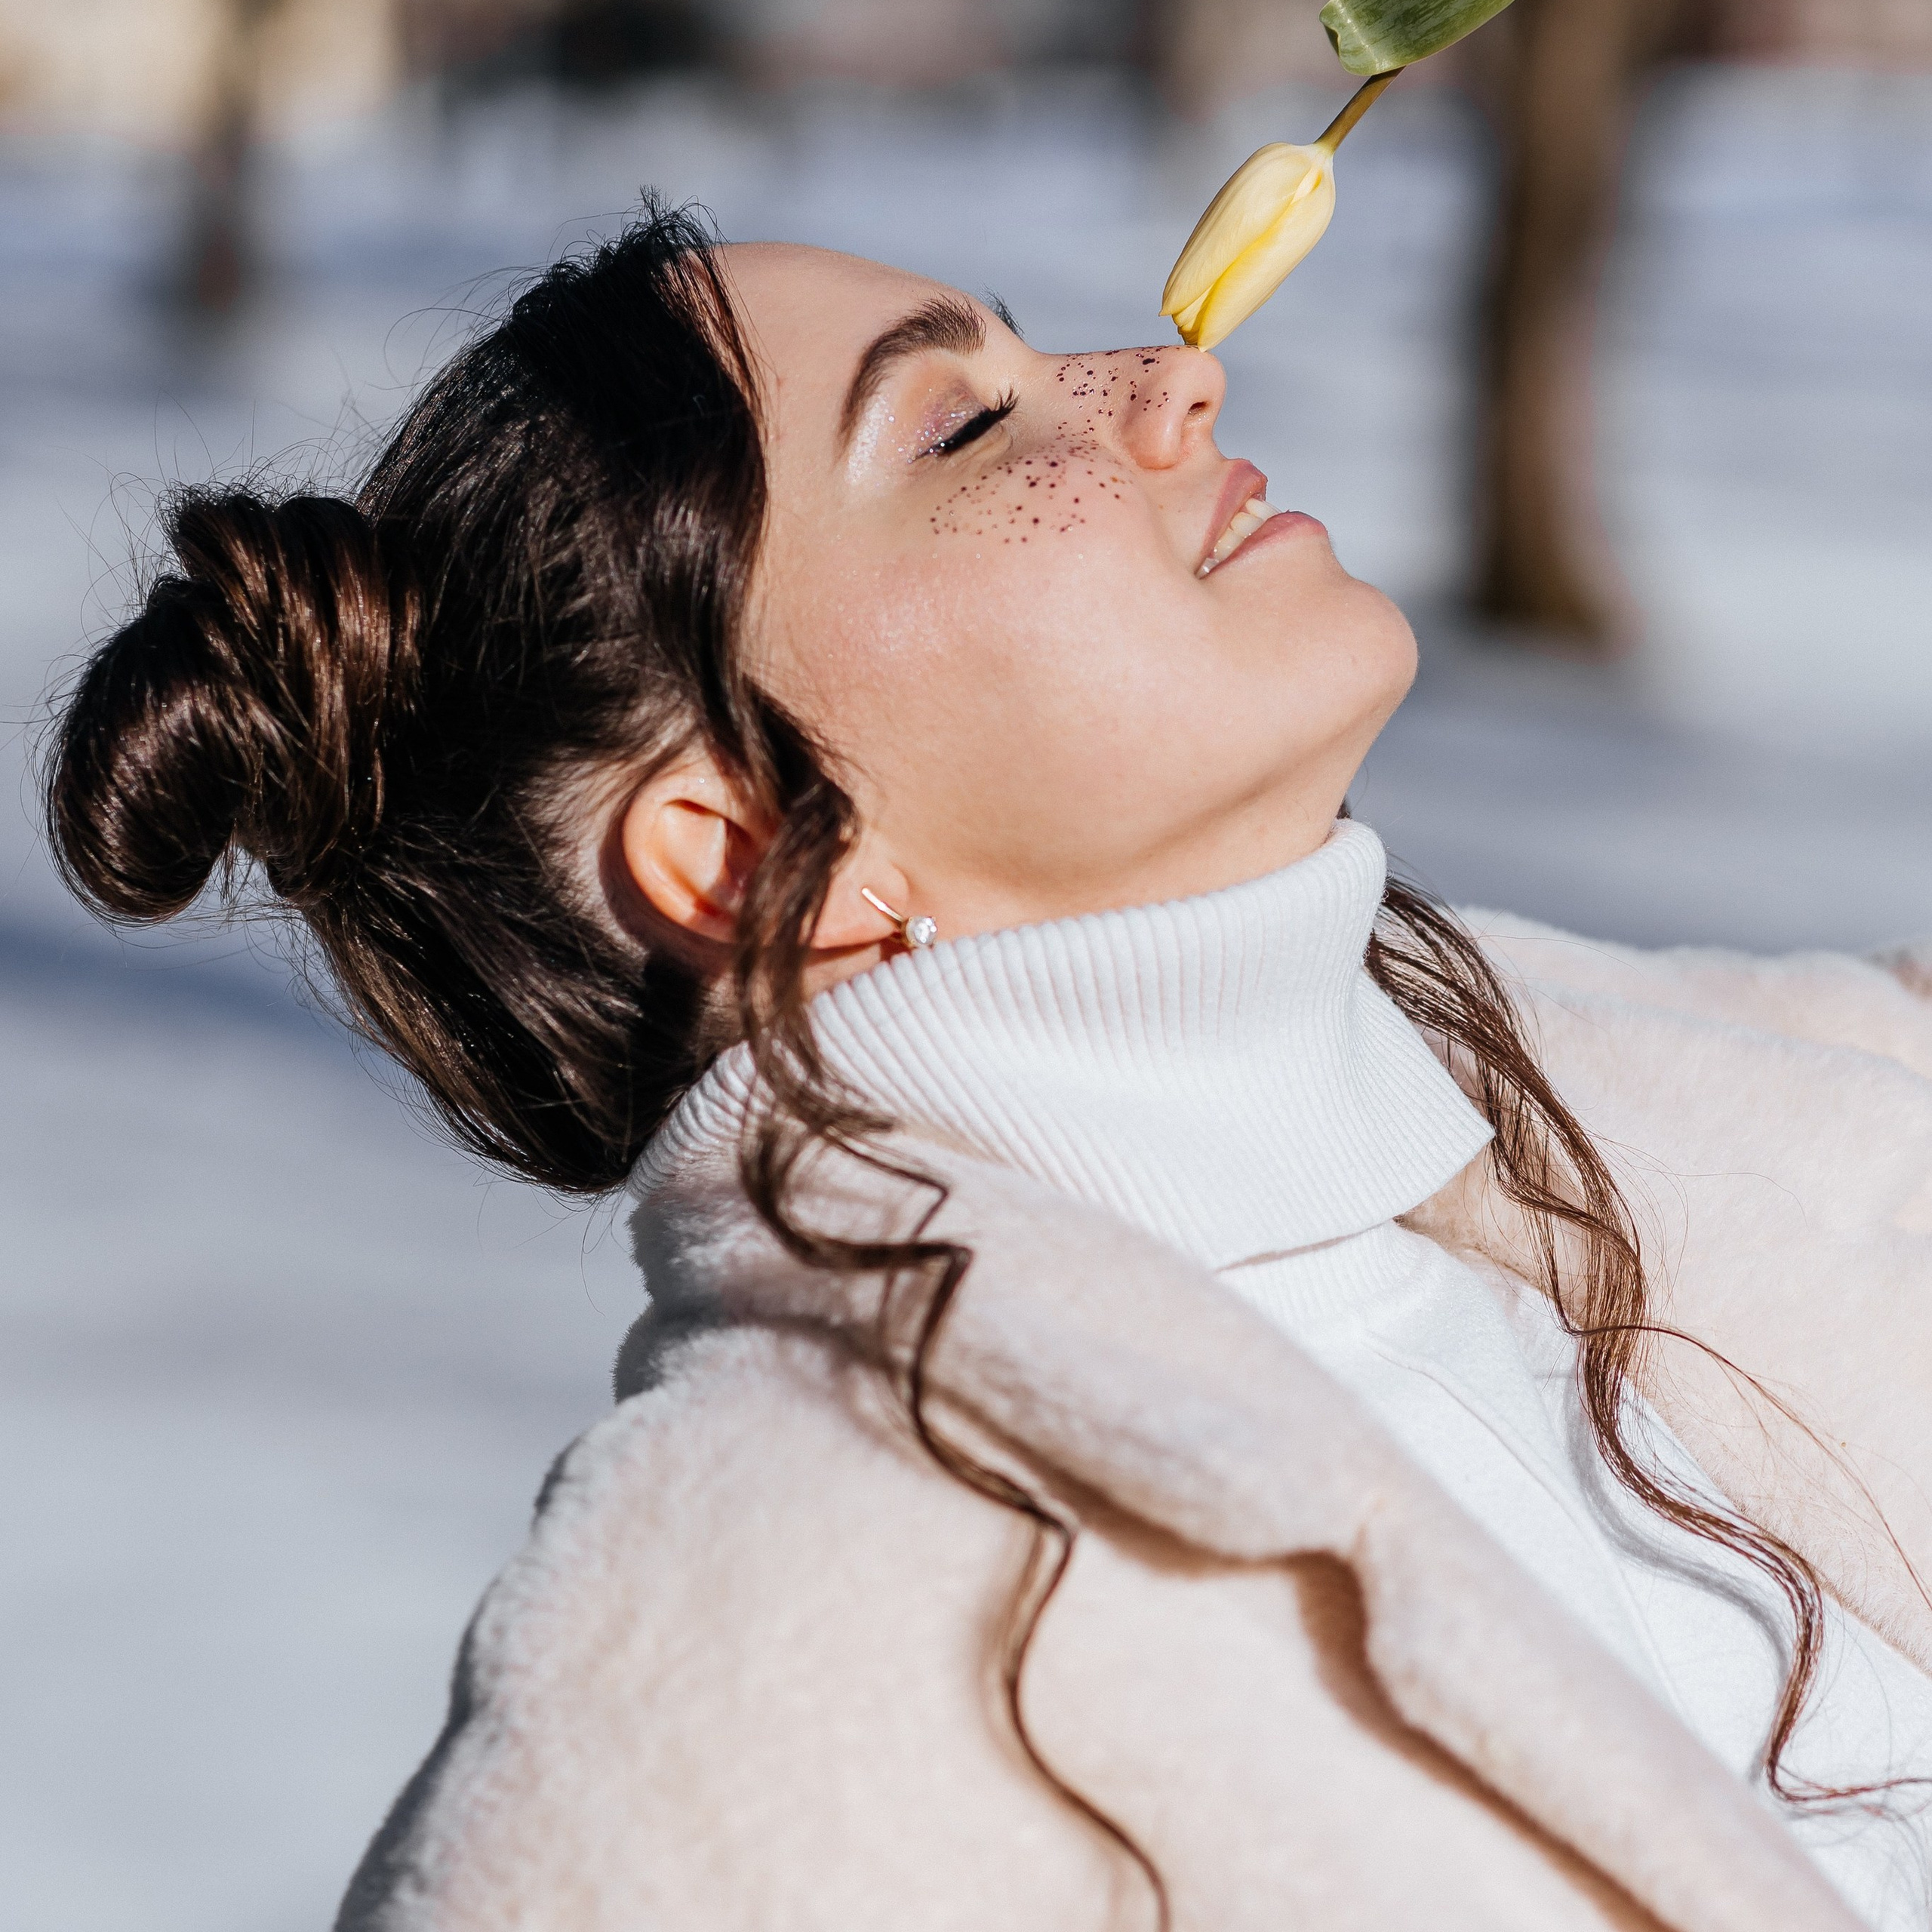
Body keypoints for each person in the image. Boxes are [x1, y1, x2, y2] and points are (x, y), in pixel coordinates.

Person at [44, 201, 1932, 1930]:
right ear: (754, 848)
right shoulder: (748, 1658)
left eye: (1033, 357)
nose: (1172, 383)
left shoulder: (1689, 1107)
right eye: (958, 426)